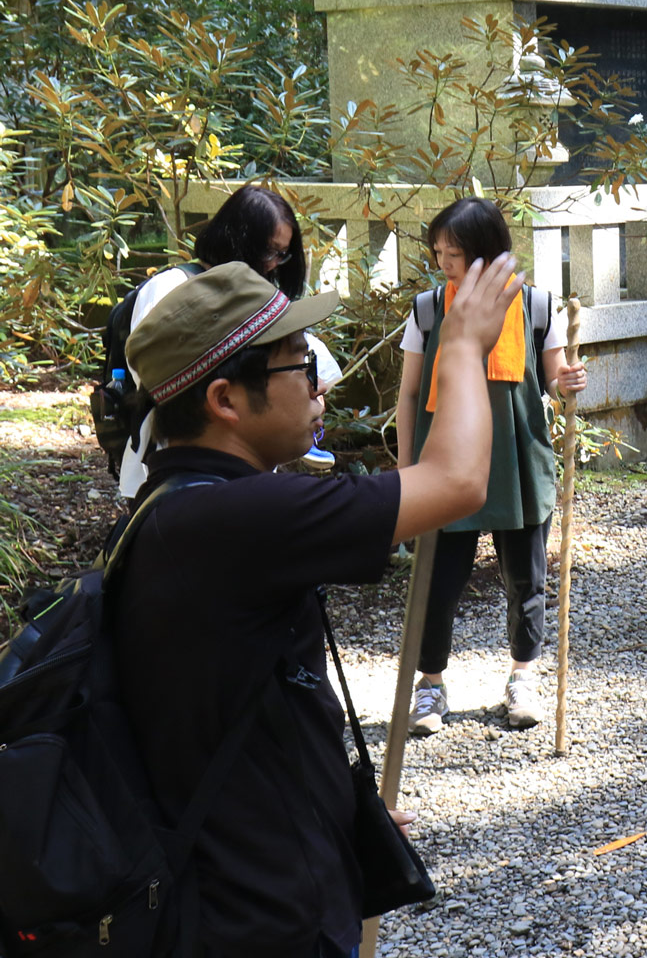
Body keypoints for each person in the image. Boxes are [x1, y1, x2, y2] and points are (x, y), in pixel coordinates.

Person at [113, 254, 519, 957]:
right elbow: (457, 481)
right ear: (225, 400)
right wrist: (460, 345)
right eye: (299, 363)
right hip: (261, 915)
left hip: (228, 884)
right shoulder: (240, 517)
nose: (321, 381)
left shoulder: (169, 509)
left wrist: (332, 805)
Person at [398, 198, 587, 735]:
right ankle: (430, 685)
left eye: (453, 252)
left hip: (516, 455)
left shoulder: (537, 306)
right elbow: (409, 395)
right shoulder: (430, 308)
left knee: (526, 577)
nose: (443, 263)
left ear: (486, 252)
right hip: (442, 460)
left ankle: (522, 678)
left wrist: (567, 381)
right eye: (438, 251)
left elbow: (552, 377)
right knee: (438, 578)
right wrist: (406, 468)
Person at [118, 184, 344, 499]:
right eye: (268, 251)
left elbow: (318, 370)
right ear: (235, 237)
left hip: (242, 475)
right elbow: (162, 383)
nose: (274, 264)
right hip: (174, 475)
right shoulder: (172, 288)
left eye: (283, 253)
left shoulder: (257, 300)